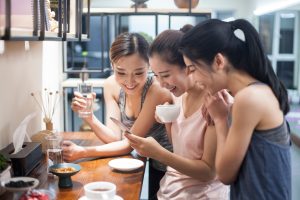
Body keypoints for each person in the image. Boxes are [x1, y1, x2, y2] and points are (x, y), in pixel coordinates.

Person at [180, 19, 291, 199]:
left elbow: (225, 175)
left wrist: (221, 119)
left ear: (218, 61)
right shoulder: (253, 92)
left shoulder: (249, 99)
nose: (189, 76)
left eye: (192, 68)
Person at [62, 32, 173, 199]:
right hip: (145, 156)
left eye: (138, 73)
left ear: (149, 66)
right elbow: (114, 138)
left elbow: (129, 144)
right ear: (112, 64)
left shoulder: (156, 90)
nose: (129, 81)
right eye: (121, 72)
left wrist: (83, 152)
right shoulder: (111, 85)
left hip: (169, 163)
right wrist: (89, 118)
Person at [125, 27, 228, 199]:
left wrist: (158, 153)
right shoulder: (178, 96)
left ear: (189, 66)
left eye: (165, 75)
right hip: (169, 192)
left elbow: (209, 172)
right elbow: (183, 152)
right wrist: (168, 121)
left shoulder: (216, 105)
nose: (161, 83)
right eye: (156, 75)